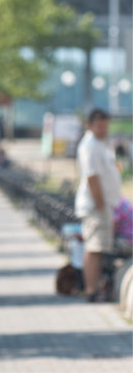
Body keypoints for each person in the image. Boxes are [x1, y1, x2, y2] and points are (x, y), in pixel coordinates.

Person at [75, 109, 121, 303]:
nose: (103, 129)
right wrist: (102, 206)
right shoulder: (90, 145)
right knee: (94, 248)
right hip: (96, 206)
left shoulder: (99, 144)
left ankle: (94, 288)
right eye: (99, 125)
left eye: (105, 125)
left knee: (97, 248)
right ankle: (92, 290)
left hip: (102, 205)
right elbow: (92, 178)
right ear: (90, 124)